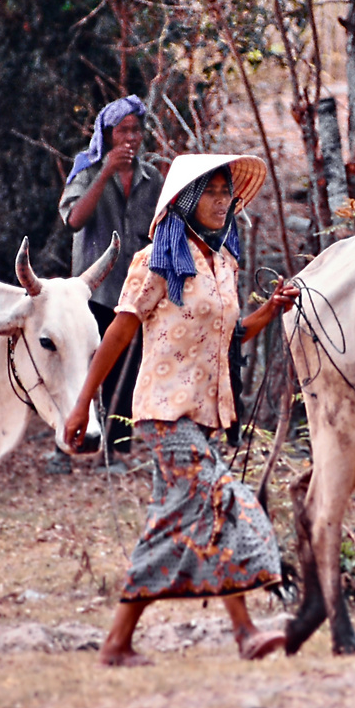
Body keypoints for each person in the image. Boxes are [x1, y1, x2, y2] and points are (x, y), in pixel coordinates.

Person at [62, 153, 300, 667]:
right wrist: (84, 403)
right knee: (223, 501)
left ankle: (121, 642)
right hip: (164, 415)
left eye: (226, 193)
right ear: (187, 201)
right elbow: (120, 331)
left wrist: (271, 310)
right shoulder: (154, 261)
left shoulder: (225, 264)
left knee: (180, 521)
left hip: (203, 416)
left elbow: (232, 335)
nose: (222, 202)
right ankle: (243, 632)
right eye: (211, 192)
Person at [58, 95, 164, 455]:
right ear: (108, 135)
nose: (131, 138)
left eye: (136, 130)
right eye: (123, 131)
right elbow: (74, 220)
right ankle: (68, 444)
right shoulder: (86, 172)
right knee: (83, 369)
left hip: (134, 293)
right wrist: (104, 173)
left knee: (127, 369)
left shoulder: (152, 179)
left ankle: (118, 449)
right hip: (94, 293)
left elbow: (160, 227)